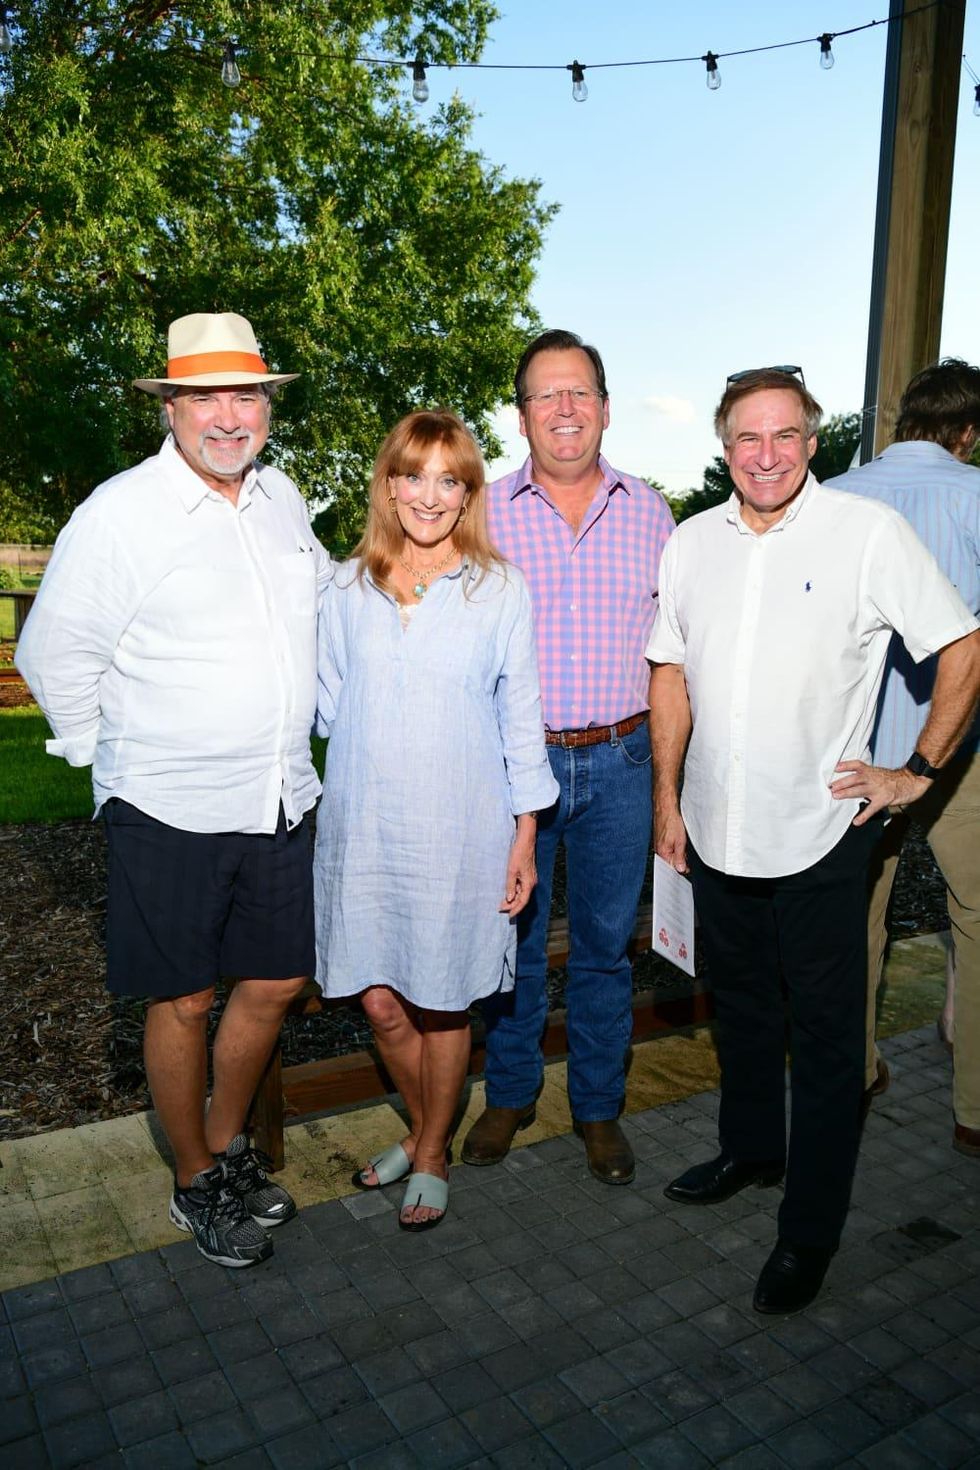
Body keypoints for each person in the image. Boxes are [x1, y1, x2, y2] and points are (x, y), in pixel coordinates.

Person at [647, 367, 980, 1314]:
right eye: (747, 438)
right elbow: (669, 671)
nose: (766, 455)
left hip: (823, 835)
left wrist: (915, 772)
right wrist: (668, 797)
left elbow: (963, 646)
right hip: (716, 829)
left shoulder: (865, 532)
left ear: (813, 440)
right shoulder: (691, 542)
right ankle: (752, 1151)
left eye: (784, 435)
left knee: (831, 1043)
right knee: (742, 1009)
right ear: (724, 447)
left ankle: (810, 1230)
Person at [16, 313, 331, 1268]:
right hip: (168, 808)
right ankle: (194, 1181)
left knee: (275, 980)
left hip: (278, 796)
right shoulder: (120, 514)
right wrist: (116, 767)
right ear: (170, 408)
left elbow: (324, 608)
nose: (228, 417)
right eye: (205, 398)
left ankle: (225, 1146)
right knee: (186, 1000)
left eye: (246, 396)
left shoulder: (282, 499)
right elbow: (53, 653)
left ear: (267, 406)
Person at [313, 409, 558, 1230]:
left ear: (468, 493)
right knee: (381, 1001)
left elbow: (521, 723)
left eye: (448, 479)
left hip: (462, 831)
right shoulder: (344, 588)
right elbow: (326, 708)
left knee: (445, 998)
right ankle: (426, 1133)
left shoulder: (499, 590)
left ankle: (428, 1153)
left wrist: (525, 837)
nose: (429, 495)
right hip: (363, 829)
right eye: (413, 475)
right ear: (388, 485)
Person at [462, 330, 675, 1185]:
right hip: (514, 770)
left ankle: (597, 1108)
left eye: (579, 391)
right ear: (521, 417)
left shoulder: (651, 513)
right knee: (509, 943)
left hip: (622, 760)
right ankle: (510, 1094)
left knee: (604, 951)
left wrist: (672, 782)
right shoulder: (481, 513)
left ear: (606, 409)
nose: (564, 408)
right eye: (545, 394)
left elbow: (674, 655)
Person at [826, 359, 980, 1154]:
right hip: (956, 749)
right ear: (968, 431)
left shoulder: (835, 497)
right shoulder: (976, 495)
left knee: (853, 917)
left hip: (856, 753)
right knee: (978, 918)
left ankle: (850, 1074)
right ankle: (975, 1110)